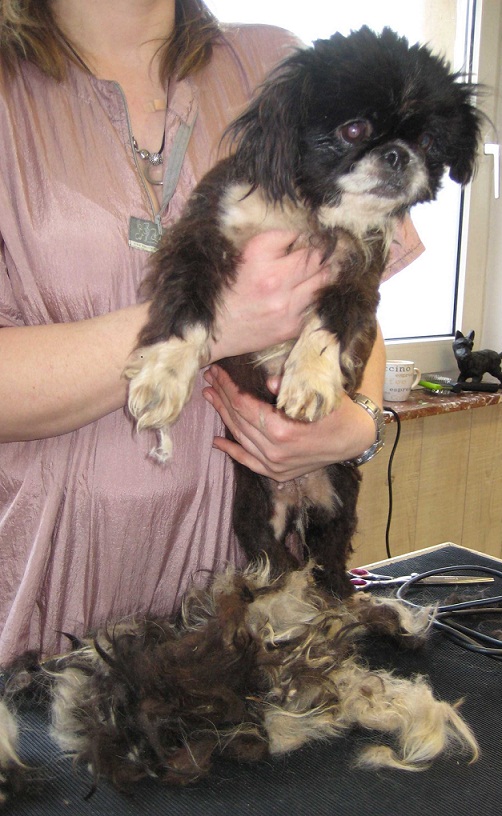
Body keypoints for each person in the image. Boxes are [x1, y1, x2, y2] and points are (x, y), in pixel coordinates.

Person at [0, 0, 423, 663]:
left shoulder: (286, 67)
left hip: (260, 594)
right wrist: (214, 321)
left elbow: (358, 293)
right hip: (50, 589)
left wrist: (360, 423)